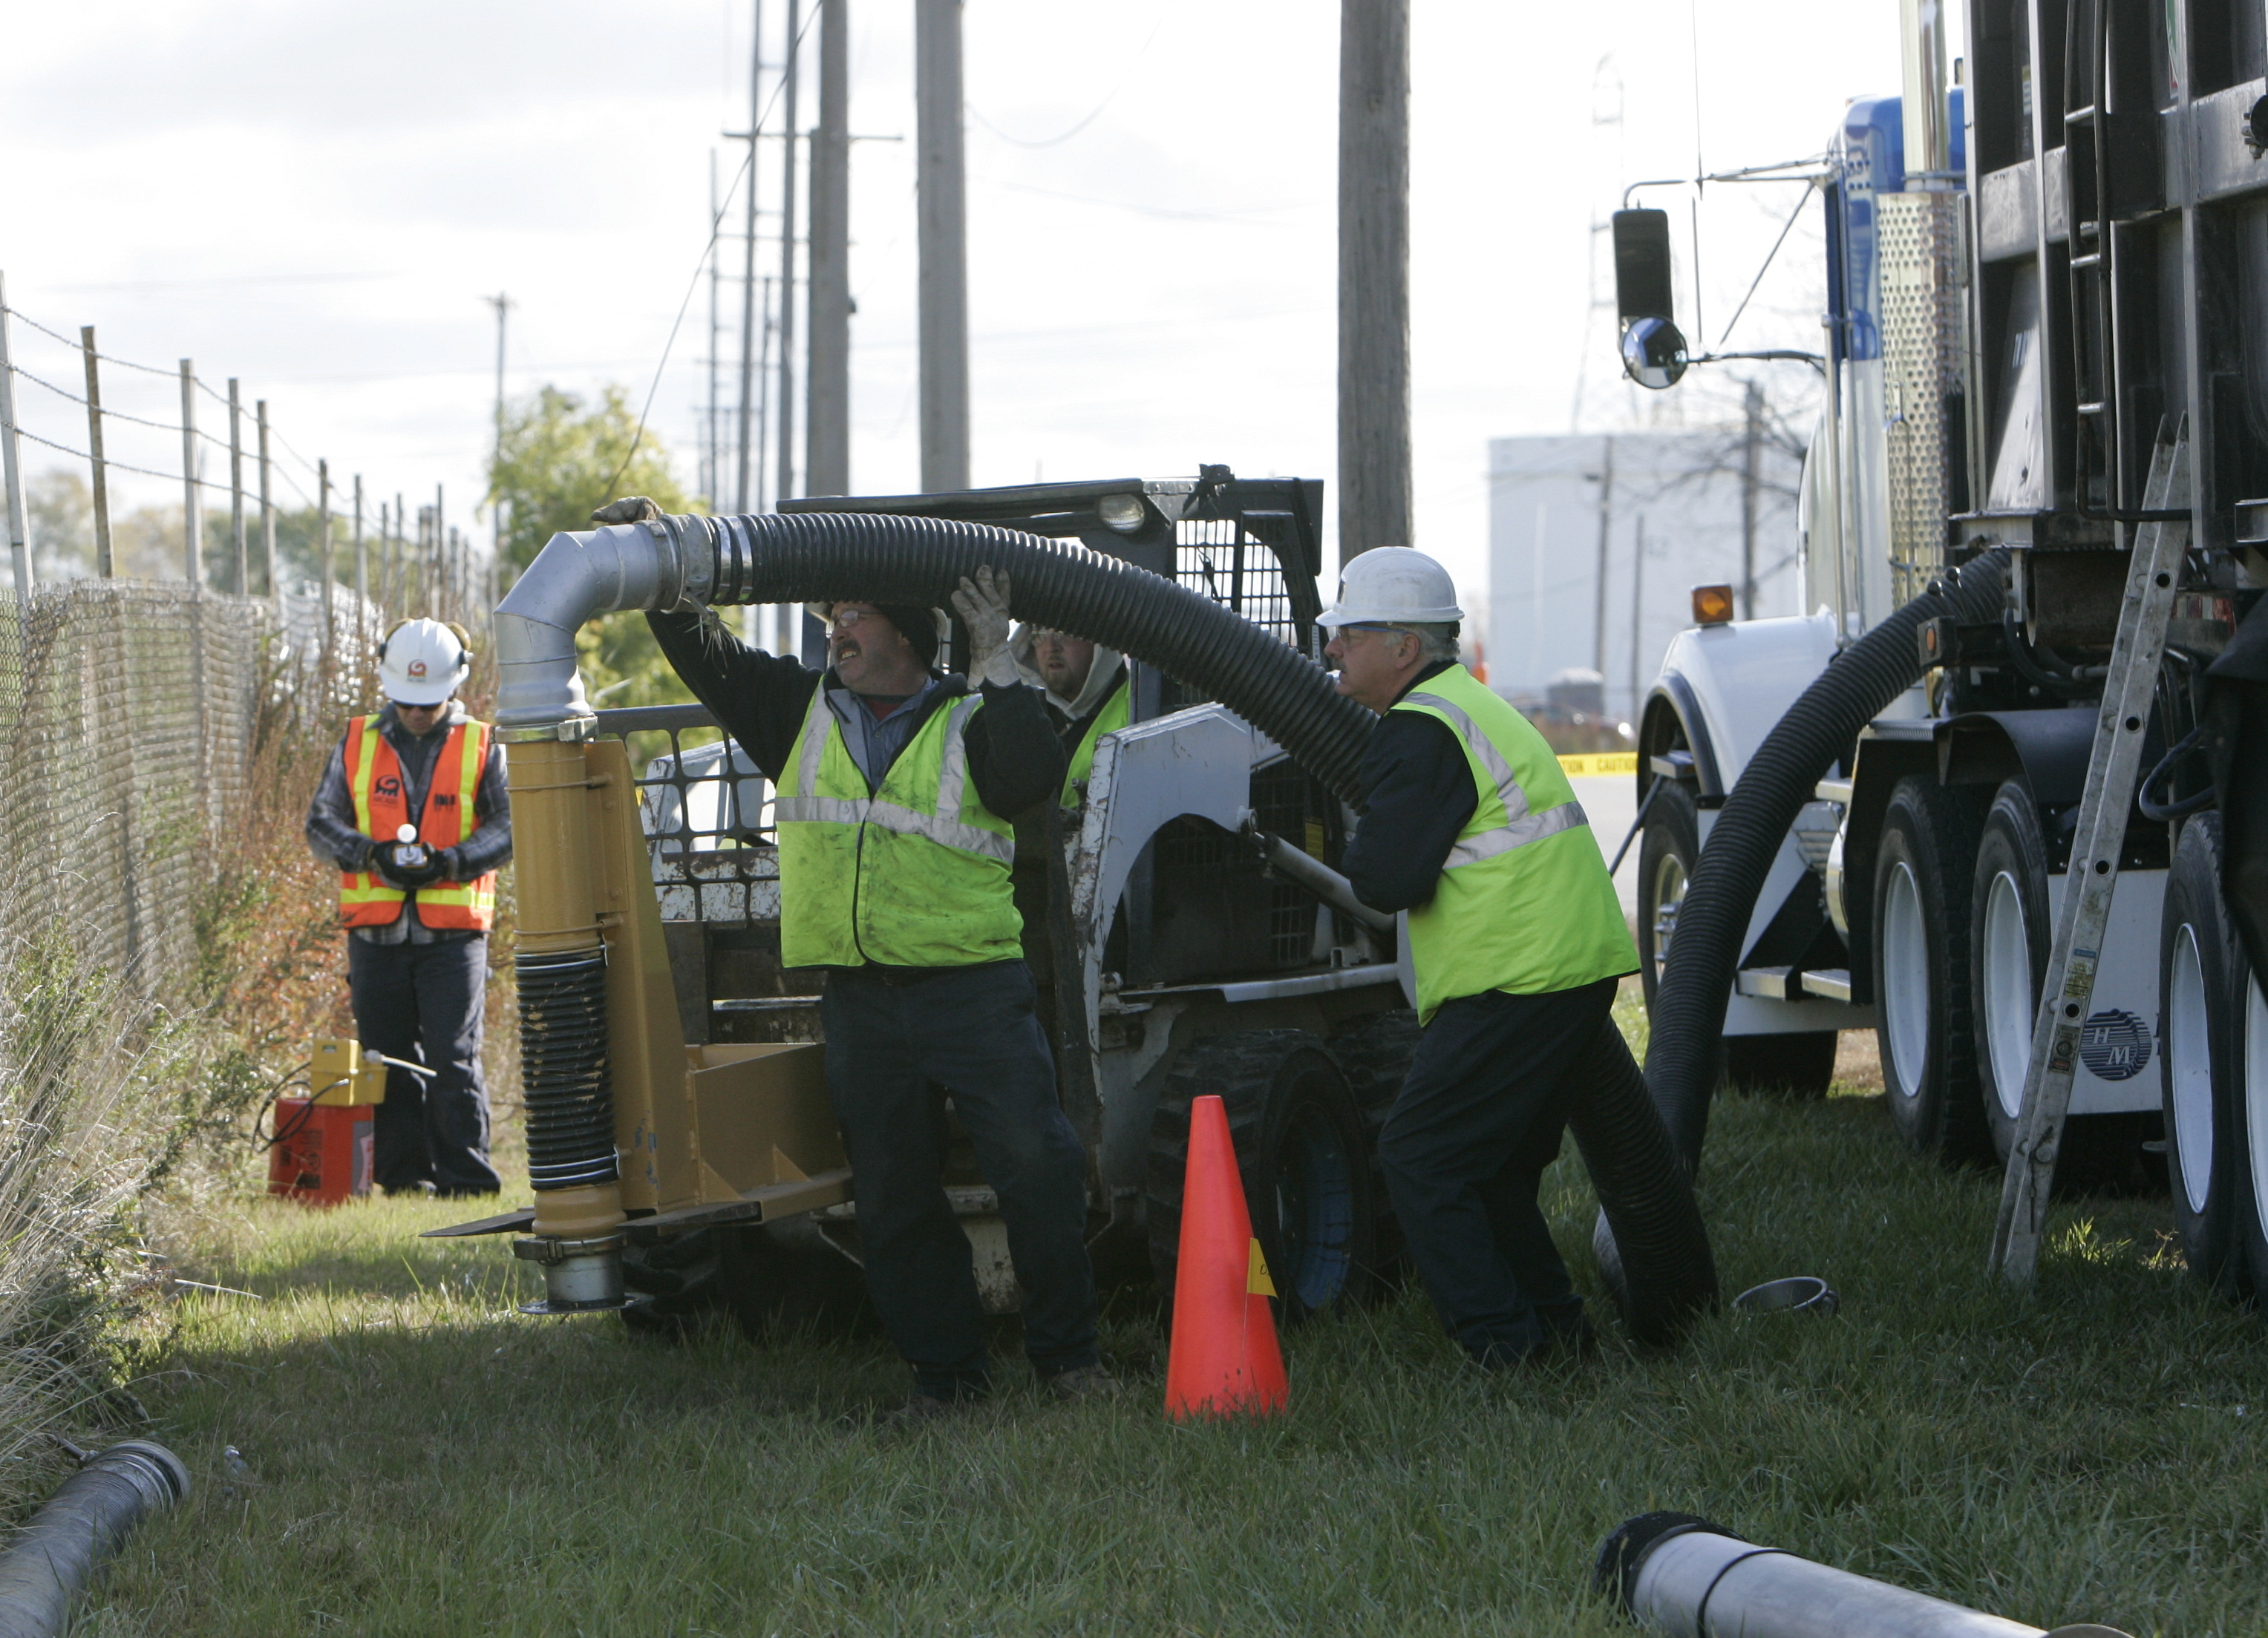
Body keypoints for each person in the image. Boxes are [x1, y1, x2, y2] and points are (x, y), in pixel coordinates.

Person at [646, 560, 1116, 1420]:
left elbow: (1028, 781)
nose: (837, 630)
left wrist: (995, 662)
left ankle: (1068, 1363)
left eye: (854, 615)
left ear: (904, 633)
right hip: (863, 1000)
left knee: (1038, 1168)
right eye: (832, 616)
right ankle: (946, 1380)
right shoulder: (799, 712)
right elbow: (709, 656)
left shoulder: (978, 710)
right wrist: (662, 570)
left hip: (973, 988)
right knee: (892, 1195)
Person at [1327, 548, 1639, 1369]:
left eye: (1348, 634)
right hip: (1561, 965)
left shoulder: (1420, 729)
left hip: (1519, 974)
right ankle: (1556, 1337)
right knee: (1490, 1170)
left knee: (1418, 1156)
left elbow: (1386, 877)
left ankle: (1504, 1349)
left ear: (1402, 647)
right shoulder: (1467, 707)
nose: (1332, 650)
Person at [304, 617, 512, 1198]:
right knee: (388, 1059)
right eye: (407, 703)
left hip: (454, 935)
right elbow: (321, 824)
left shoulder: (483, 744)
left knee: (453, 1057)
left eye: (429, 703)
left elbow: (510, 824)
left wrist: (450, 861)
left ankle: (467, 1181)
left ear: (455, 685)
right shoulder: (355, 742)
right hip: (376, 936)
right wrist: (372, 855)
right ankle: (402, 1179)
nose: (418, 713)